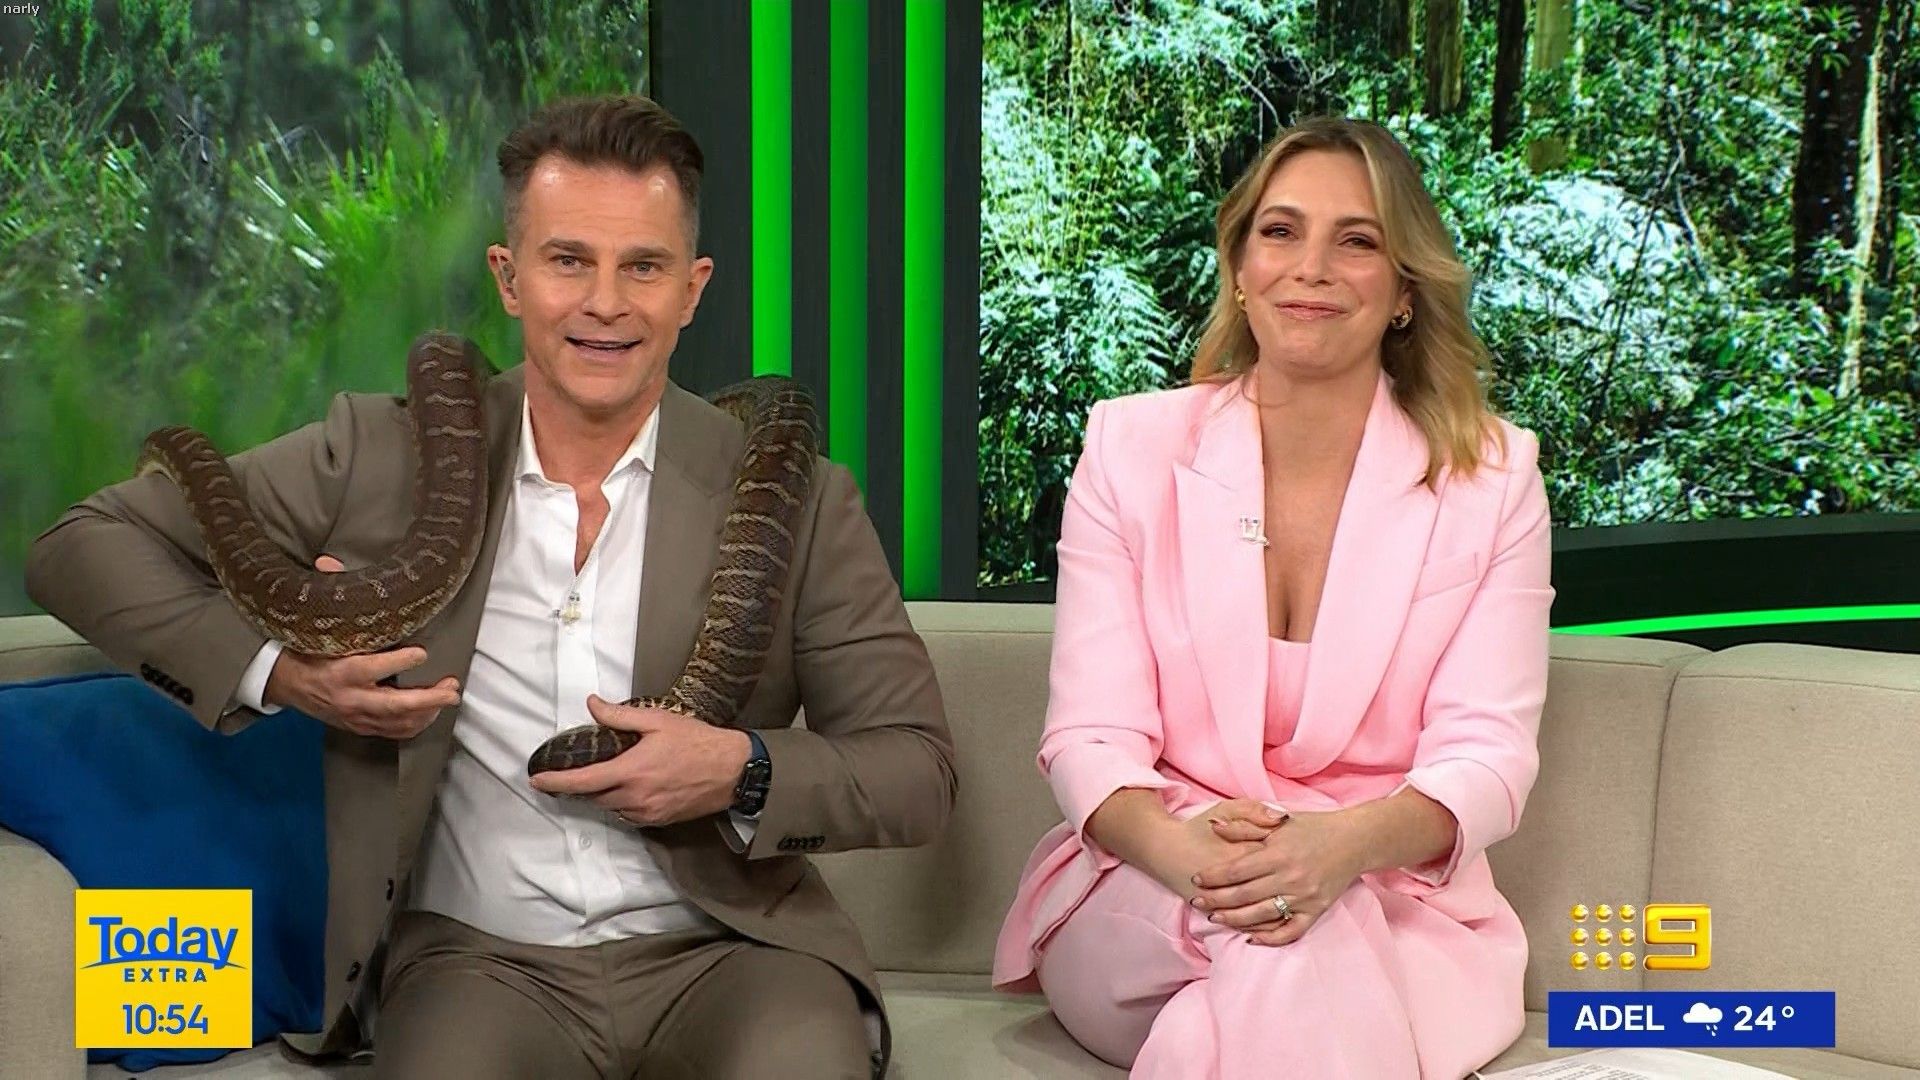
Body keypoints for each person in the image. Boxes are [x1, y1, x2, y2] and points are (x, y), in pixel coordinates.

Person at [26, 94, 956, 1080]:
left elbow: (916, 769)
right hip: (477, 964)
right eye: (569, 261)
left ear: (693, 289)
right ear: (510, 279)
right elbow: (79, 546)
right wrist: (286, 673)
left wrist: (737, 770)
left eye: (643, 266)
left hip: (735, 953)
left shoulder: (796, 495)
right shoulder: (381, 454)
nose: (605, 302)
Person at [991, 117, 1553, 1079]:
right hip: (1153, 882)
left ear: (1405, 290)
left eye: (1358, 240)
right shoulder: (1131, 449)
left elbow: (1488, 755)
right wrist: (1198, 860)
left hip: (1392, 896)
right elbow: (1090, 737)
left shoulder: (1491, 478)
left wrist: (1338, 848)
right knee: (1286, 948)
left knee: (1286, 964)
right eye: (1281, 231)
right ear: (1241, 267)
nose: (1312, 268)